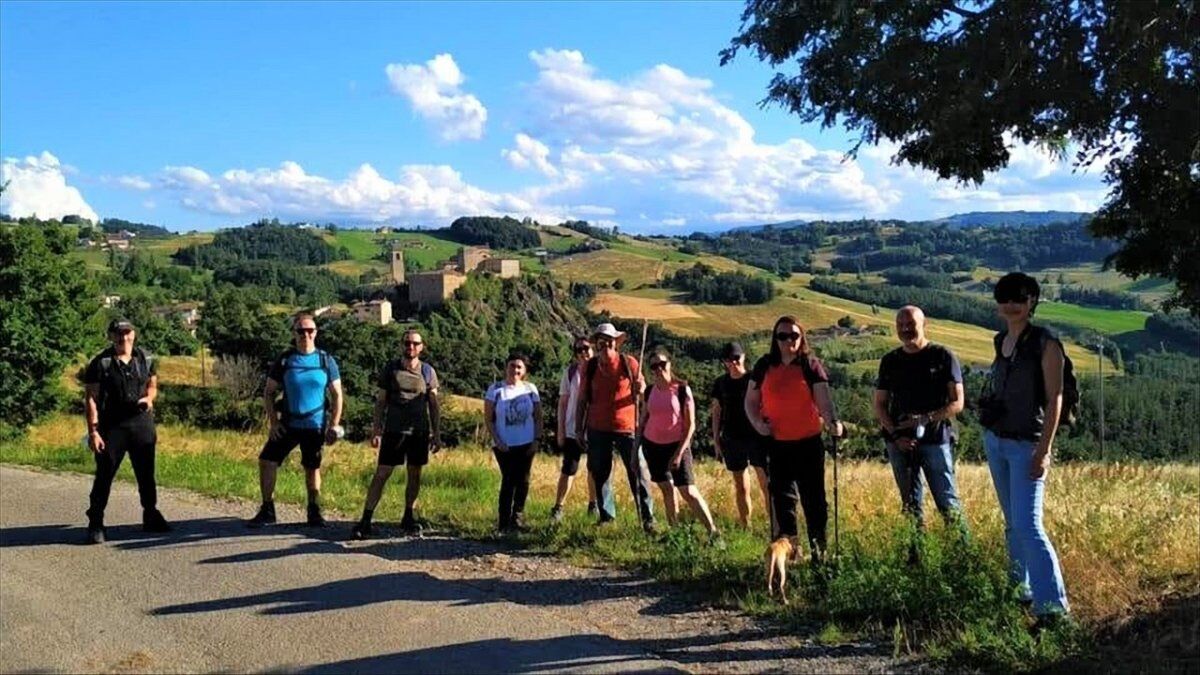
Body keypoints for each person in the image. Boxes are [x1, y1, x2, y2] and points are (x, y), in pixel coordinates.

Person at [981, 272, 1070, 624]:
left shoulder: (1047, 344)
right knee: (1012, 523)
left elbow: (1055, 400)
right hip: (996, 440)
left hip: (1027, 445)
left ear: (1032, 301)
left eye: (1018, 298)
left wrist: (1043, 451)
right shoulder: (1000, 340)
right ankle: (1021, 589)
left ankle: (1054, 609)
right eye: (1004, 297)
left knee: (1029, 525)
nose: (1010, 304)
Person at [744, 316, 842, 561]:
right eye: (782, 336)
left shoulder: (810, 365)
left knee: (814, 501)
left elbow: (824, 402)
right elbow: (750, 402)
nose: (788, 340)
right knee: (783, 501)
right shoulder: (764, 365)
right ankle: (792, 556)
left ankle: (819, 555)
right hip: (776, 444)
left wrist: (832, 422)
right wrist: (757, 423)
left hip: (808, 444)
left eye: (794, 336)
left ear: (802, 338)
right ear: (775, 339)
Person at [873, 306, 967, 532]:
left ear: (924, 325)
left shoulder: (943, 356)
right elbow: (879, 404)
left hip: (936, 440)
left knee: (948, 503)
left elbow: (958, 403)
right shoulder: (890, 361)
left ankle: (962, 556)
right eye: (901, 325)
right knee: (910, 505)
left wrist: (925, 419)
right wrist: (895, 436)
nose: (905, 329)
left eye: (911, 324)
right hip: (900, 444)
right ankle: (916, 557)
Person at [248, 314, 344, 528]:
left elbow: (337, 395)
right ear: (294, 333)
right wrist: (273, 423)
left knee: (312, 468)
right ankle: (267, 509)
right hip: (288, 424)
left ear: (316, 333)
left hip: (315, 425)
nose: (306, 335)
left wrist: (334, 424)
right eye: (301, 331)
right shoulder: (285, 360)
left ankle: (314, 510)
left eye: (310, 330)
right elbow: (269, 393)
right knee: (267, 461)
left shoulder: (326, 360)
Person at [82, 318, 171, 544]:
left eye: (127, 333)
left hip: (141, 423)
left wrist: (149, 398)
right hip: (112, 427)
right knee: (105, 474)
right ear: (112, 336)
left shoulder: (146, 358)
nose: (124, 338)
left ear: (134, 334)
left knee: (146, 473)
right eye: (119, 334)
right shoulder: (101, 363)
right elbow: (91, 398)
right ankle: (96, 520)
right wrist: (93, 431)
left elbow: (153, 385)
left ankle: (150, 513)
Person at [352, 329, 442, 539]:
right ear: (402, 345)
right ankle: (366, 519)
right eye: (407, 343)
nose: (410, 347)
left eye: (414, 343)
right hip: (393, 430)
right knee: (382, 473)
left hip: (418, 432)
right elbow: (381, 401)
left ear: (421, 347)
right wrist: (376, 429)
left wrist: (436, 433)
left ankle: (408, 516)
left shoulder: (428, 372)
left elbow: (434, 405)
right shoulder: (390, 369)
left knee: (415, 474)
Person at [574, 322, 657, 533]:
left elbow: (642, 389)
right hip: (597, 427)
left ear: (616, 342)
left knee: (638, 471)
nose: (605, 345)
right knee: (600, 472)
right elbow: (582, 399)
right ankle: (606, 517)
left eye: (609, 340)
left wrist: (641, 388)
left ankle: (647, 518)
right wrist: (578, 428)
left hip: (627, 427)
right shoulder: (589, 367)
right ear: (597, 344)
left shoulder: (629, 363)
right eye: (601, 341)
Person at [639, 348, 720, 541]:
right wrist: (636, 449)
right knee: (667, 488)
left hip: (677, 445)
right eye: (654, 366)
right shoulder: (649, 392)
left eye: (662, 364)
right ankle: (675, 533)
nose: (659, 369)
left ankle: (714, 533)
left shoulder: (682, 389)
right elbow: (643, 420)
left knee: (688, 490)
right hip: (653, 446)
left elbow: (690, 425)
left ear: (669, 364)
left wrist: (678, 453)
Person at [710, 342, 770, 530]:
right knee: (741, 486)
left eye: (736, 358)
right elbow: (716, 412)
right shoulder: (720, 383)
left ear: (743, 357)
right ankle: (746, 526)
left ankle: (775, 526)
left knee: (766, 483)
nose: (733, 362)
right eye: (729, 359)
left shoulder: (754, 379)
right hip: (732, 437)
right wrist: (716, 439)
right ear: (724, 362)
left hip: (756, 437)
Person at [484, 353, 543, 532]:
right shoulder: (495, 390)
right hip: (504, 445)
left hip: (526, 443)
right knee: (508, 480)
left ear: (524, 371)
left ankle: (517, 516)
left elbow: (538, 416)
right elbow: (489, 419)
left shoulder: (531, 389)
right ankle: (503, 522)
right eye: (512, 366)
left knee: (523, 480)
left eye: (519, 367)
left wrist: (537, 439)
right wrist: (497, 440)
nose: (515, 370)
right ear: (506, 367)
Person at [550, 336, 598, 522]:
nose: (583, 352)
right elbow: (562, 403)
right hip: (571, 429)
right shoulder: (570, 373)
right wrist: (560, 430)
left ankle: (593, 505)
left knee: (594, 469)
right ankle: (558, 507)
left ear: (592, 349)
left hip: (594, 428)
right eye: (579, 350)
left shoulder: (600, 371)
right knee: (569, 468)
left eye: (586, 348)